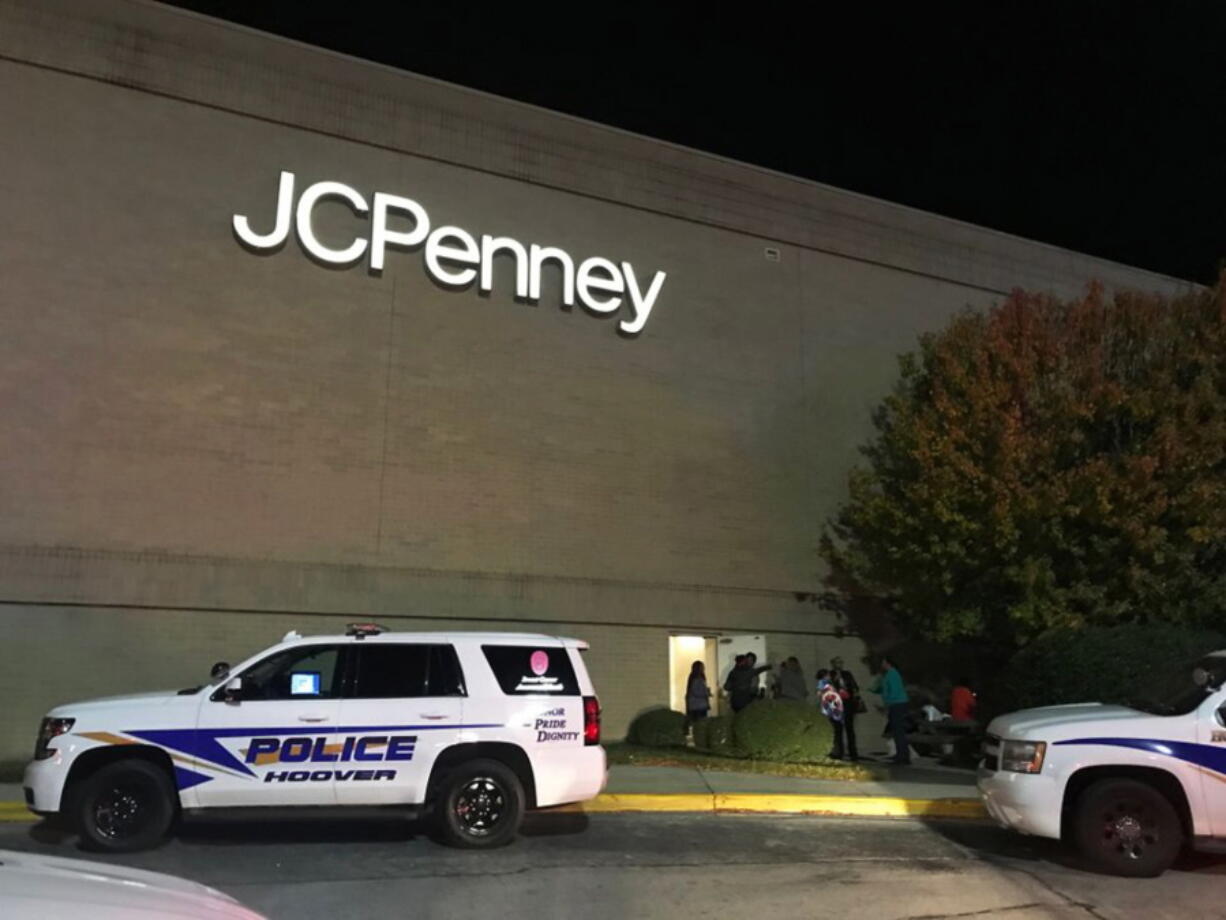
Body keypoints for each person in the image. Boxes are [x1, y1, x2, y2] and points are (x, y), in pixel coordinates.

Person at [869, 654, 911, 765]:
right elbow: (883, 689)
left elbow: (894, 691)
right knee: (896, 730)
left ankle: (903, 757)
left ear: (888, 663)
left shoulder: (893, 674)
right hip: (895, 704)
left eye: (883, 662)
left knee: (898, 731)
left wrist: (887, 704)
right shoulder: (888, 675)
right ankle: (900, 754)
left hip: (897, 704)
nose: (882, 664)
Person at [828, 656, 861, 761]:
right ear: (833, 664)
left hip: (848, 704)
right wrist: (834, 681)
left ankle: (853, 753)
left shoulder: (847, 674)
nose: (839, 664)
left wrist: (855, 697)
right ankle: (839, 753)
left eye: (841, 662)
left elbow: (855, 687)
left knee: (850, 729)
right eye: (837, 662)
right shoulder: (830, 674)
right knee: (838, 730)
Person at [685, 661, 711, 730]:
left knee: (698, 724)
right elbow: (696, 692)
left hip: (697, 705)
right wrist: (706, 693)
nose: (703, 668)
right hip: (698, 706)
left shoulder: (694, 678)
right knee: (700, 725)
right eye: (702, 667)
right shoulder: (697, 679)